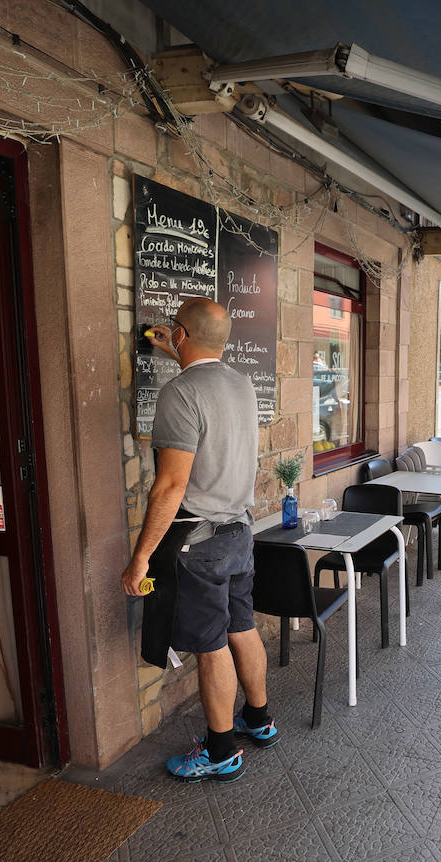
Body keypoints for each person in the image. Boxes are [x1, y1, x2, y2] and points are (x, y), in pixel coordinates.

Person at [122, 296, 277, 781]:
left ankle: (220, 751)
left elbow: (170, 485)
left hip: (199, 544)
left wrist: (140, 557)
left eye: (175, 331)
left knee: (212, 646)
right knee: (241, 626)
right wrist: (182, 351)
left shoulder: (179, 394)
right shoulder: (243, 385)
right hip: (239, 534)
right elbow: (206, 379)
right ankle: (259, 719)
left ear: (181, 335)